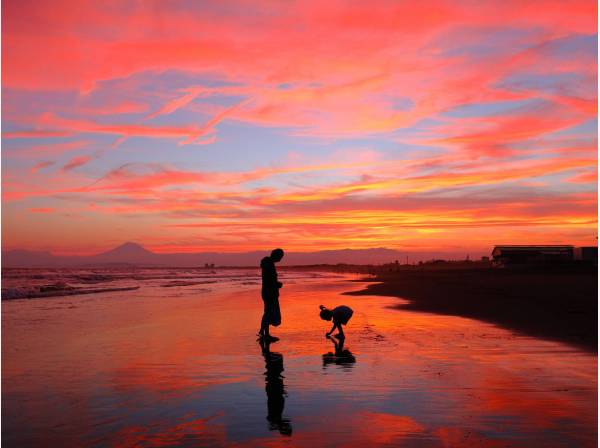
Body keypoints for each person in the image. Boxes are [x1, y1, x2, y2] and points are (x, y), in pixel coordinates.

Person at [259, 248, 284, 341]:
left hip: (267, 291)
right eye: (281, 257)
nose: (281, 259)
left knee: (268, 312)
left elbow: (269, 280)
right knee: (269, 313)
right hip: (270, 292)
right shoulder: (269, 264)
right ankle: (264, 333)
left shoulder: (268, 264)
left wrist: (276, 284)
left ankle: (264, 332)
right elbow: (269, 280)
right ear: (276, 255)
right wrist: (277, 284)